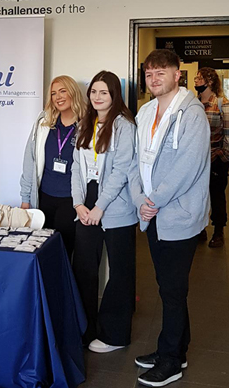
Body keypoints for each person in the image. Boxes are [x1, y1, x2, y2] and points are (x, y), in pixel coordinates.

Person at [131, 49, 210, 387]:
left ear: (177, 74)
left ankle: (171, 360)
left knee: (173, 290)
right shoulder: (145, 112)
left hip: (177, 215)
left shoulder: (191, 114)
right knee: (168, 287)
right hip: (152, 214)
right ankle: (178, 348)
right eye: (149, 73)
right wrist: (140, 200)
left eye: (161, 71)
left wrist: (155, 200)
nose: (154, 78)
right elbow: (136, 162)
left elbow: (188, 167)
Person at [70, 71, 138, 352]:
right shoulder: (86, 123)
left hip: (116, 203)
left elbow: (121, 170)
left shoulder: (124, 125)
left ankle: (114, 335)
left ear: (114, 96)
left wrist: (100, 206)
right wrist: (78, 203)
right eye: (94, 92)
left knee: (120, 270)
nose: (97, 97)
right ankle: (84, 328)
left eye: (104, 93)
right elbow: (76, 166)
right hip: (87, 197)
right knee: (84, 266)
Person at [19, 75, 86, 260]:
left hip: (71, 200)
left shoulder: (86, 125)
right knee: (43, 251)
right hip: (44, 198)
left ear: (73, 92)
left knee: (64, 252)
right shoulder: (44, 122)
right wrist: (26, 198)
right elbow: (30, 160)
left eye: (63, 91)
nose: (58, 97)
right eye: (54, 93)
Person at [194, 67, 229, 248]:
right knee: (198, 196)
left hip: (215, 160)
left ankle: (218, 230)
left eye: (199, 78)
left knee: (216, 196)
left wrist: (224, 157)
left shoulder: (224, 105)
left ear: (210, 82)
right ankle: (200, 229)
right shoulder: (194, 105)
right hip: (197, 161)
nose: (196, 81)